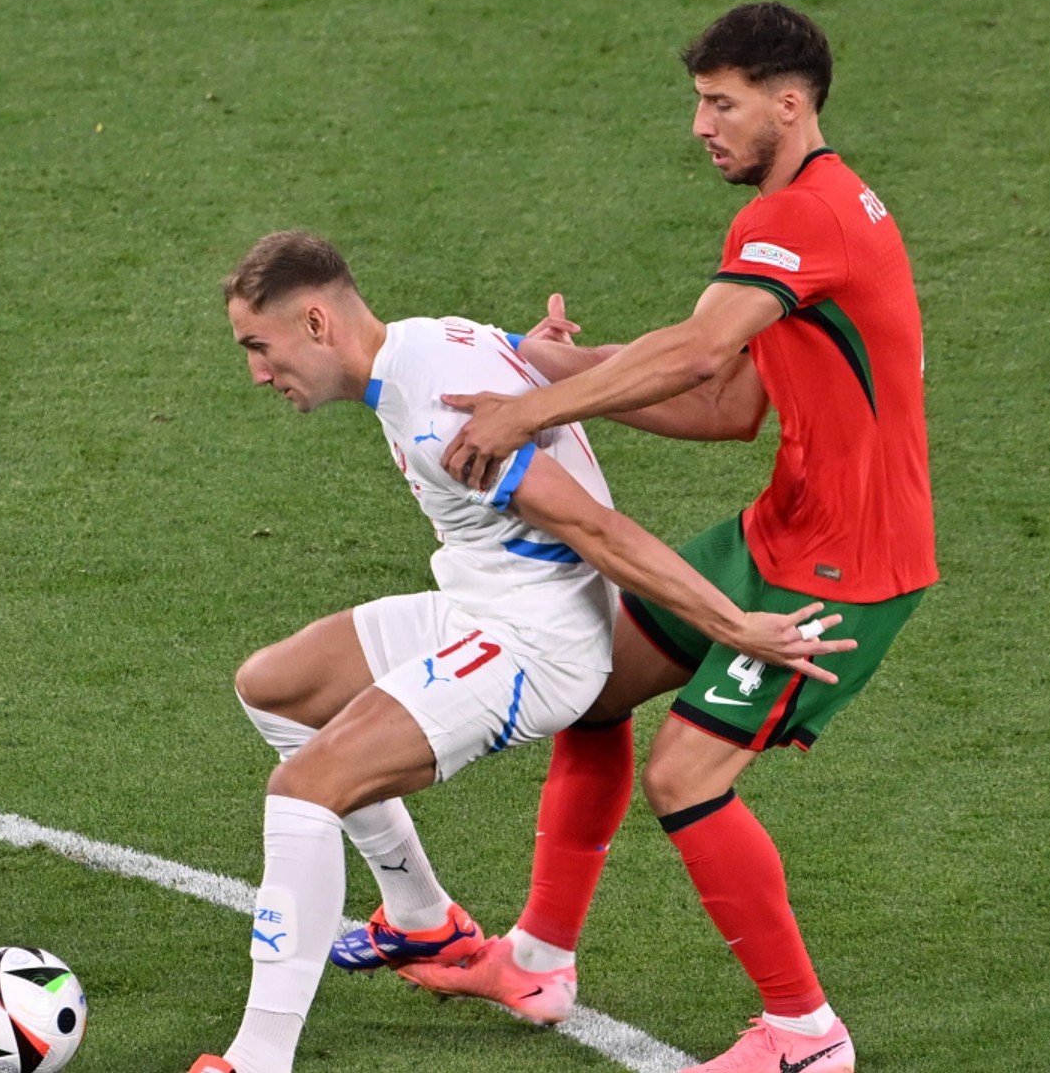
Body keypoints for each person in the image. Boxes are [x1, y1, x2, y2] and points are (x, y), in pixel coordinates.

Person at [402, 4, 937, 1073]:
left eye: (720, 101)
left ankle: (804, 1035)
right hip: (780, 530)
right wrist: (564, 366)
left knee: (686, 776)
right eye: (699, 100)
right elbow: (727, 404)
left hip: (849, 566)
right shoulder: (796, 213)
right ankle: (542, 956)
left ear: (790, 106)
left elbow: (696, 354)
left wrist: (529, 411)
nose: (701, 124)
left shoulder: (804, 217)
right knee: (592, 684)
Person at [190, 230, 853, 1073]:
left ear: (316, 323)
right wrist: (549, 356)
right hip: (479, 601)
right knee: (273, 687)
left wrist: (733, 625)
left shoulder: (440, 419)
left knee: (306, 785)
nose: (256, 373)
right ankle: (421, 915)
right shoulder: (439, 337)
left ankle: (258, 1059)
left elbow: (594, 527)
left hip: (535, 646)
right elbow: (549, 368)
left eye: (259, 346)